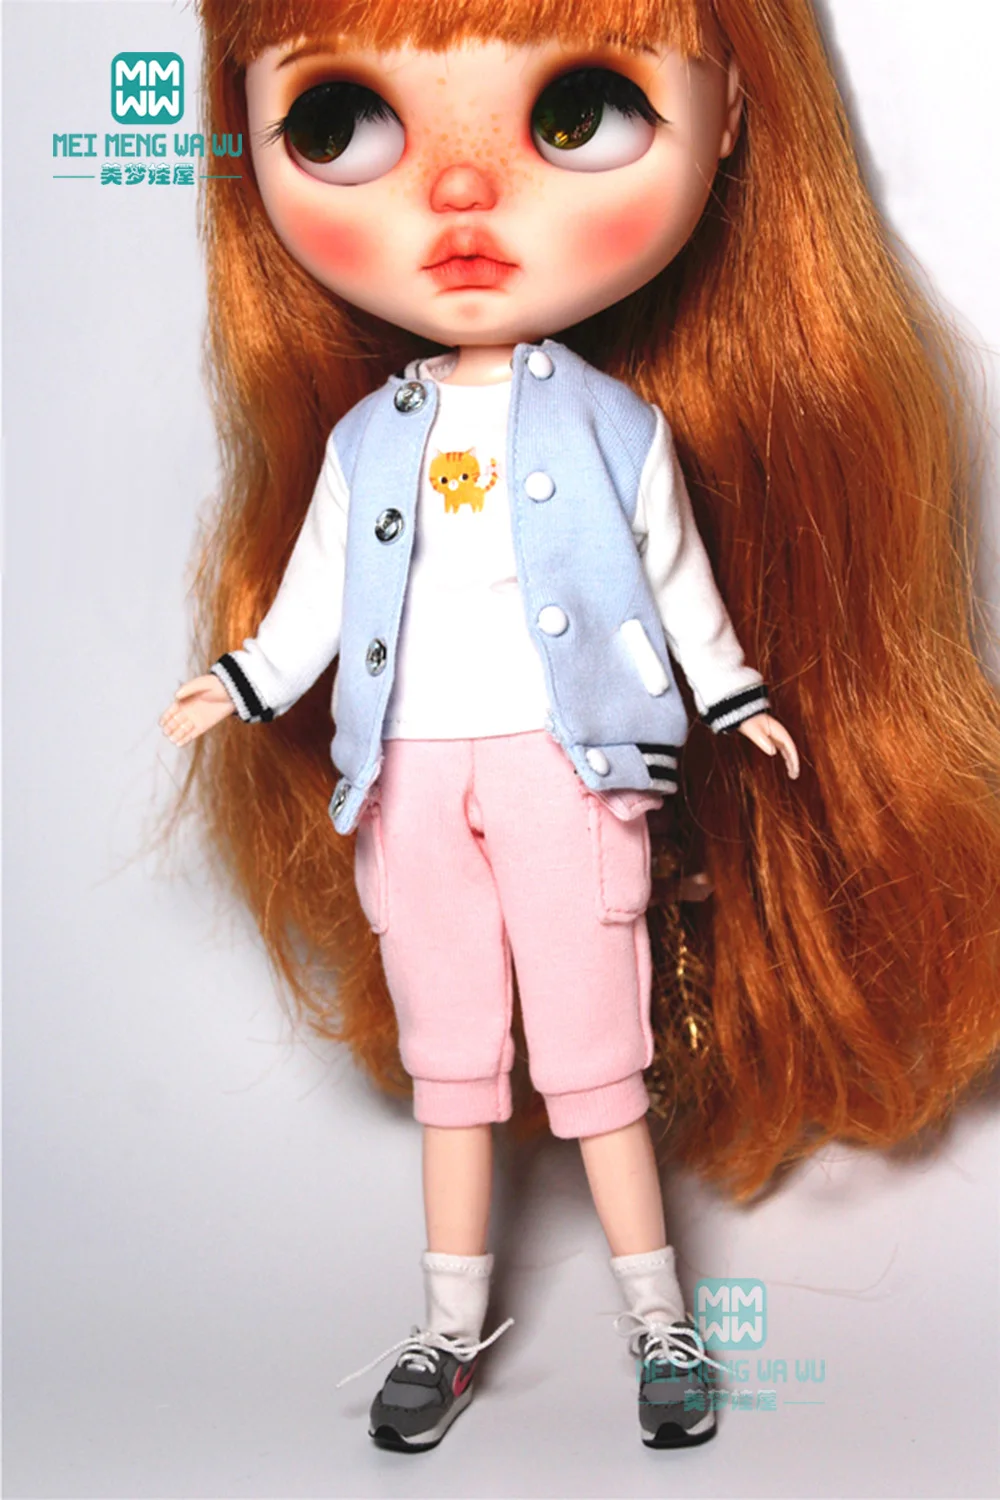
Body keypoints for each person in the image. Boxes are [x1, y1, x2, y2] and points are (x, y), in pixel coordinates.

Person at [160, 0, 1000, 1454]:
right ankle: (446, 1326)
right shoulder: (368, 438)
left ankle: (660, 1325)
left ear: (729, 121)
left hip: (567, 770)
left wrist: (736, 696)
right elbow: (316, 601)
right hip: (410, 778)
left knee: (596, 1058)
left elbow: (676, 579)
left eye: (575, 114)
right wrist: (239, 683)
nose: (461, 190)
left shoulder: (615, 427)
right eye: (341, 123)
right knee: (453, 1063)